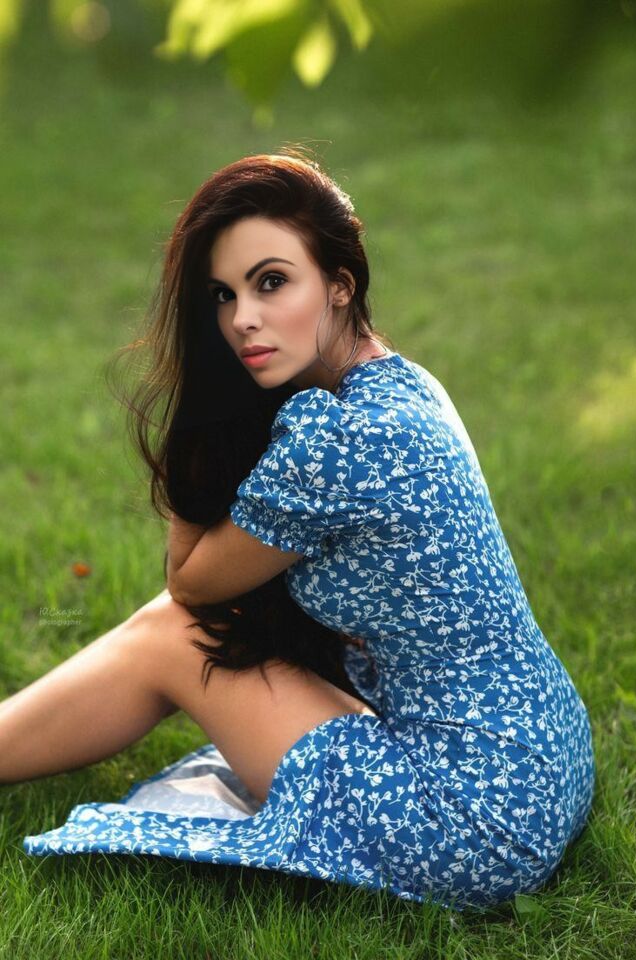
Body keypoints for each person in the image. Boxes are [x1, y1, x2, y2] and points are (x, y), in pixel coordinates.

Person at [5, 150, 595, 911]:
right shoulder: (404, 385)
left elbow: (190, 585)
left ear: (340, 284)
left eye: (272, 282)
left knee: (174, 633)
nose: (240, 319)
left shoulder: (338, 440)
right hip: (541, 759)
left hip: (467, 821)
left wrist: (204, 413)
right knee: (189, 630)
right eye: (223, 294)